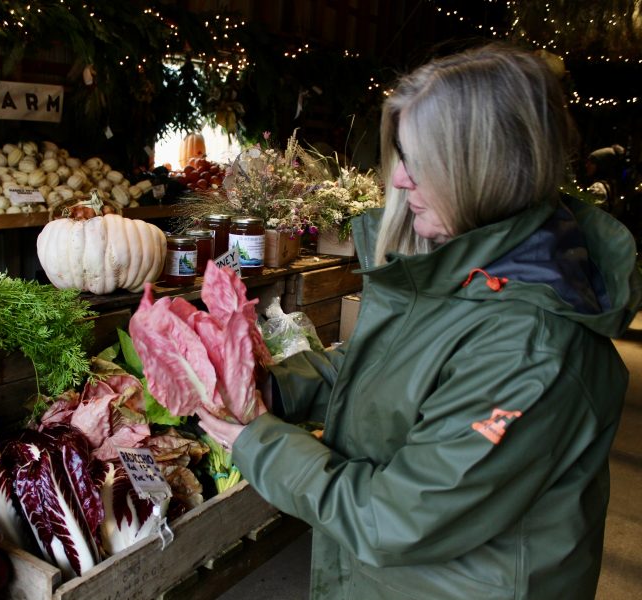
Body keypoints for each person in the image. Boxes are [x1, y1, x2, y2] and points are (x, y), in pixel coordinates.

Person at [198, 43, 642, 600]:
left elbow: (397, 518)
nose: (400, 180)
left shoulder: (533, 347)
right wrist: (273, 387)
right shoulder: (466, 264)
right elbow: (387, 369)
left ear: (486, 169)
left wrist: (258, 443)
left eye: (419, 160)